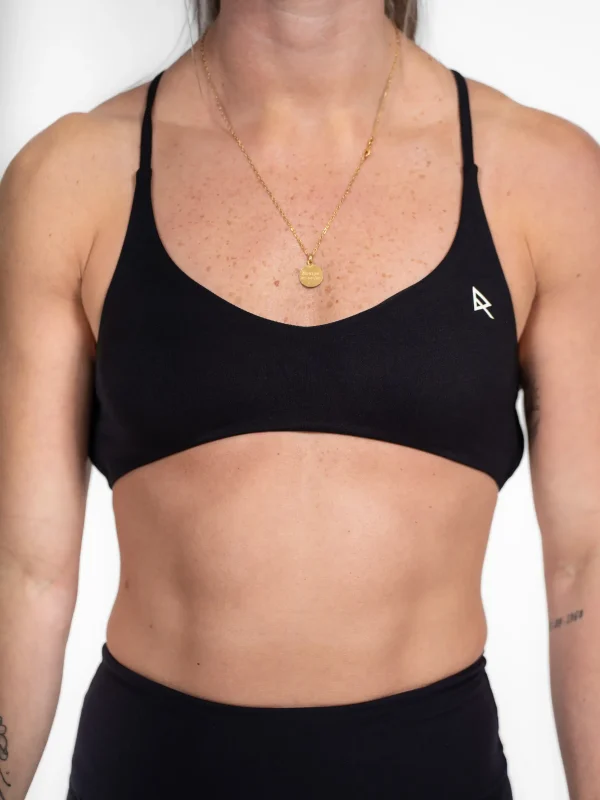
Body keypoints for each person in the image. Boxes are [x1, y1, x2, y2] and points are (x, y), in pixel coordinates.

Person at [1, 0, 599, 797]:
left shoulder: (546, 175)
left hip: (433, 770)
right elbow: (24, 574)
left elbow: (585, 567)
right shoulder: (69, 176)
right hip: (149, 769)